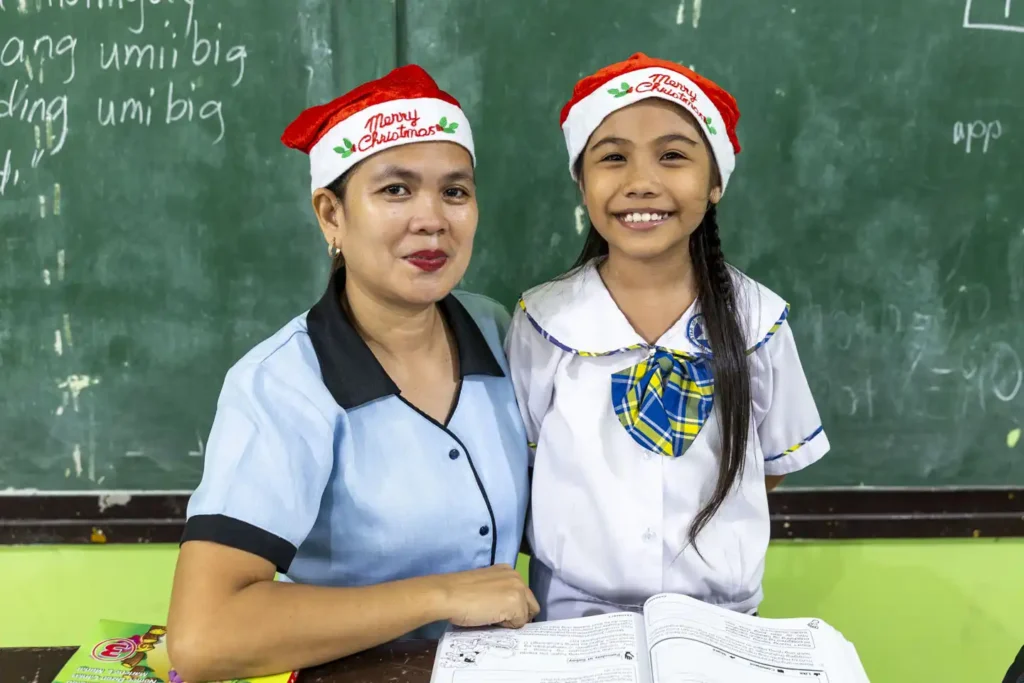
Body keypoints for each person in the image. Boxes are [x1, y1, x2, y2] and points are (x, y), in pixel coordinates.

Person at [167, 64, 536, 682]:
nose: (432, 219)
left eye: (455, 191)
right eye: (396, 190)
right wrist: (441, 596)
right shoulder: (281, 384)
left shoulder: (497, 332)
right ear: (331, 216)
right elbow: (205, 635)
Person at [505, 53, 829, 621]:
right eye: (612, 158)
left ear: (715, 183)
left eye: (674, 156)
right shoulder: (544, 321)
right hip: (571, 621)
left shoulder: (759, 322)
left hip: (719, 621)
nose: (642, 183)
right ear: (582, 181)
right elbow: (525, 460)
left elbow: (769, 463)